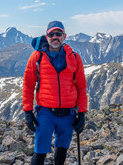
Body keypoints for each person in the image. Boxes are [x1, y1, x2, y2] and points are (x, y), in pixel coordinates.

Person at [22, 20, 88, 165]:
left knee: (62, 149)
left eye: (58, 34)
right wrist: (27, 111)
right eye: (51, 34)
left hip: (68, 113)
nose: (55, 37)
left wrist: (82, 113)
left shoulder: (75, 58)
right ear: (46, 36)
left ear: (64, 36)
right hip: (45, 112)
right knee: (40, 152)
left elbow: (81, 87)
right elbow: (28, 84)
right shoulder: (37, 56)